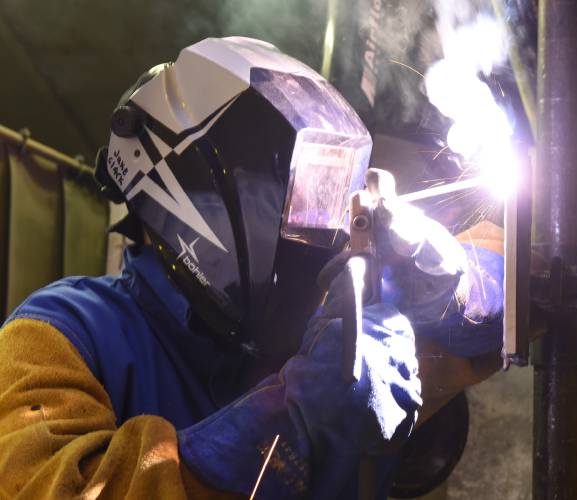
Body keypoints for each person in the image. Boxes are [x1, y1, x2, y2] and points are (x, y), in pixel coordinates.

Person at [0, 37, 504, 499]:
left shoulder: (330, 335)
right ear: (200, 190)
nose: (322, 233)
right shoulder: (55, 334)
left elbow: (505, 273)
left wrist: (455, 286)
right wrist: (289, 424)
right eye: (296, 200)